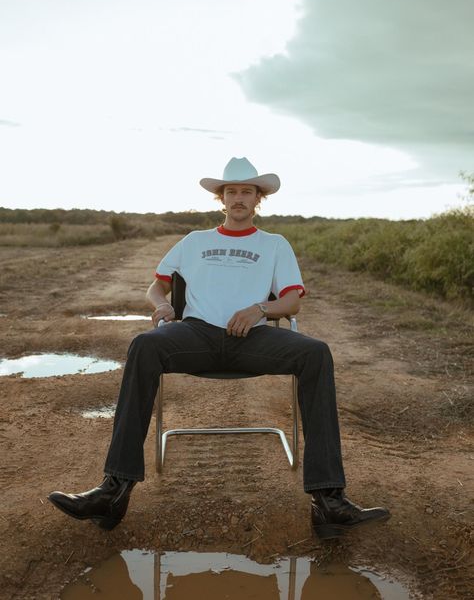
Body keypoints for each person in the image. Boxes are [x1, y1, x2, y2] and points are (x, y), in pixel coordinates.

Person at [48, 157, 390, 539]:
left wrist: (260, 308)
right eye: (232, 191)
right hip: (195, 335)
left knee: (316, 352)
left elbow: (291, 302)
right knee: (144, 345)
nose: (239, 198)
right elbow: (156, 286)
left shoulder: (274, 245)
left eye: (247, 191)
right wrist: (161, 305)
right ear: (221, 198)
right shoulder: (195, 241)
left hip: (253, 338)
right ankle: (114, 490)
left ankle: (328, 500)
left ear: (258, 198)